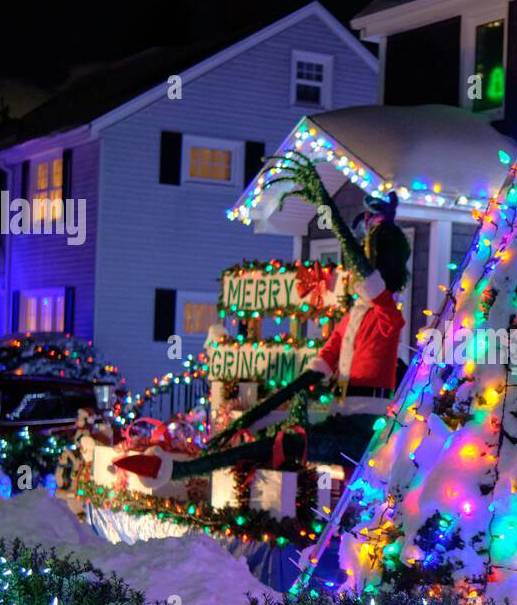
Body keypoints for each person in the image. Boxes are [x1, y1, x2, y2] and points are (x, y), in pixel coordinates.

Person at [113, 153, 410, 488]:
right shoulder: (355, 316)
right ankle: (179, 469)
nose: (358, 266)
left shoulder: (388, 315)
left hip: (368, 424)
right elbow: (327, 357)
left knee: (295, 449)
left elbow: (367, 275)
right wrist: (303, 380)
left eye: (368, 256)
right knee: (285, 445)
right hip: (342, 413)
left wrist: (332, 213)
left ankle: (182, 471)